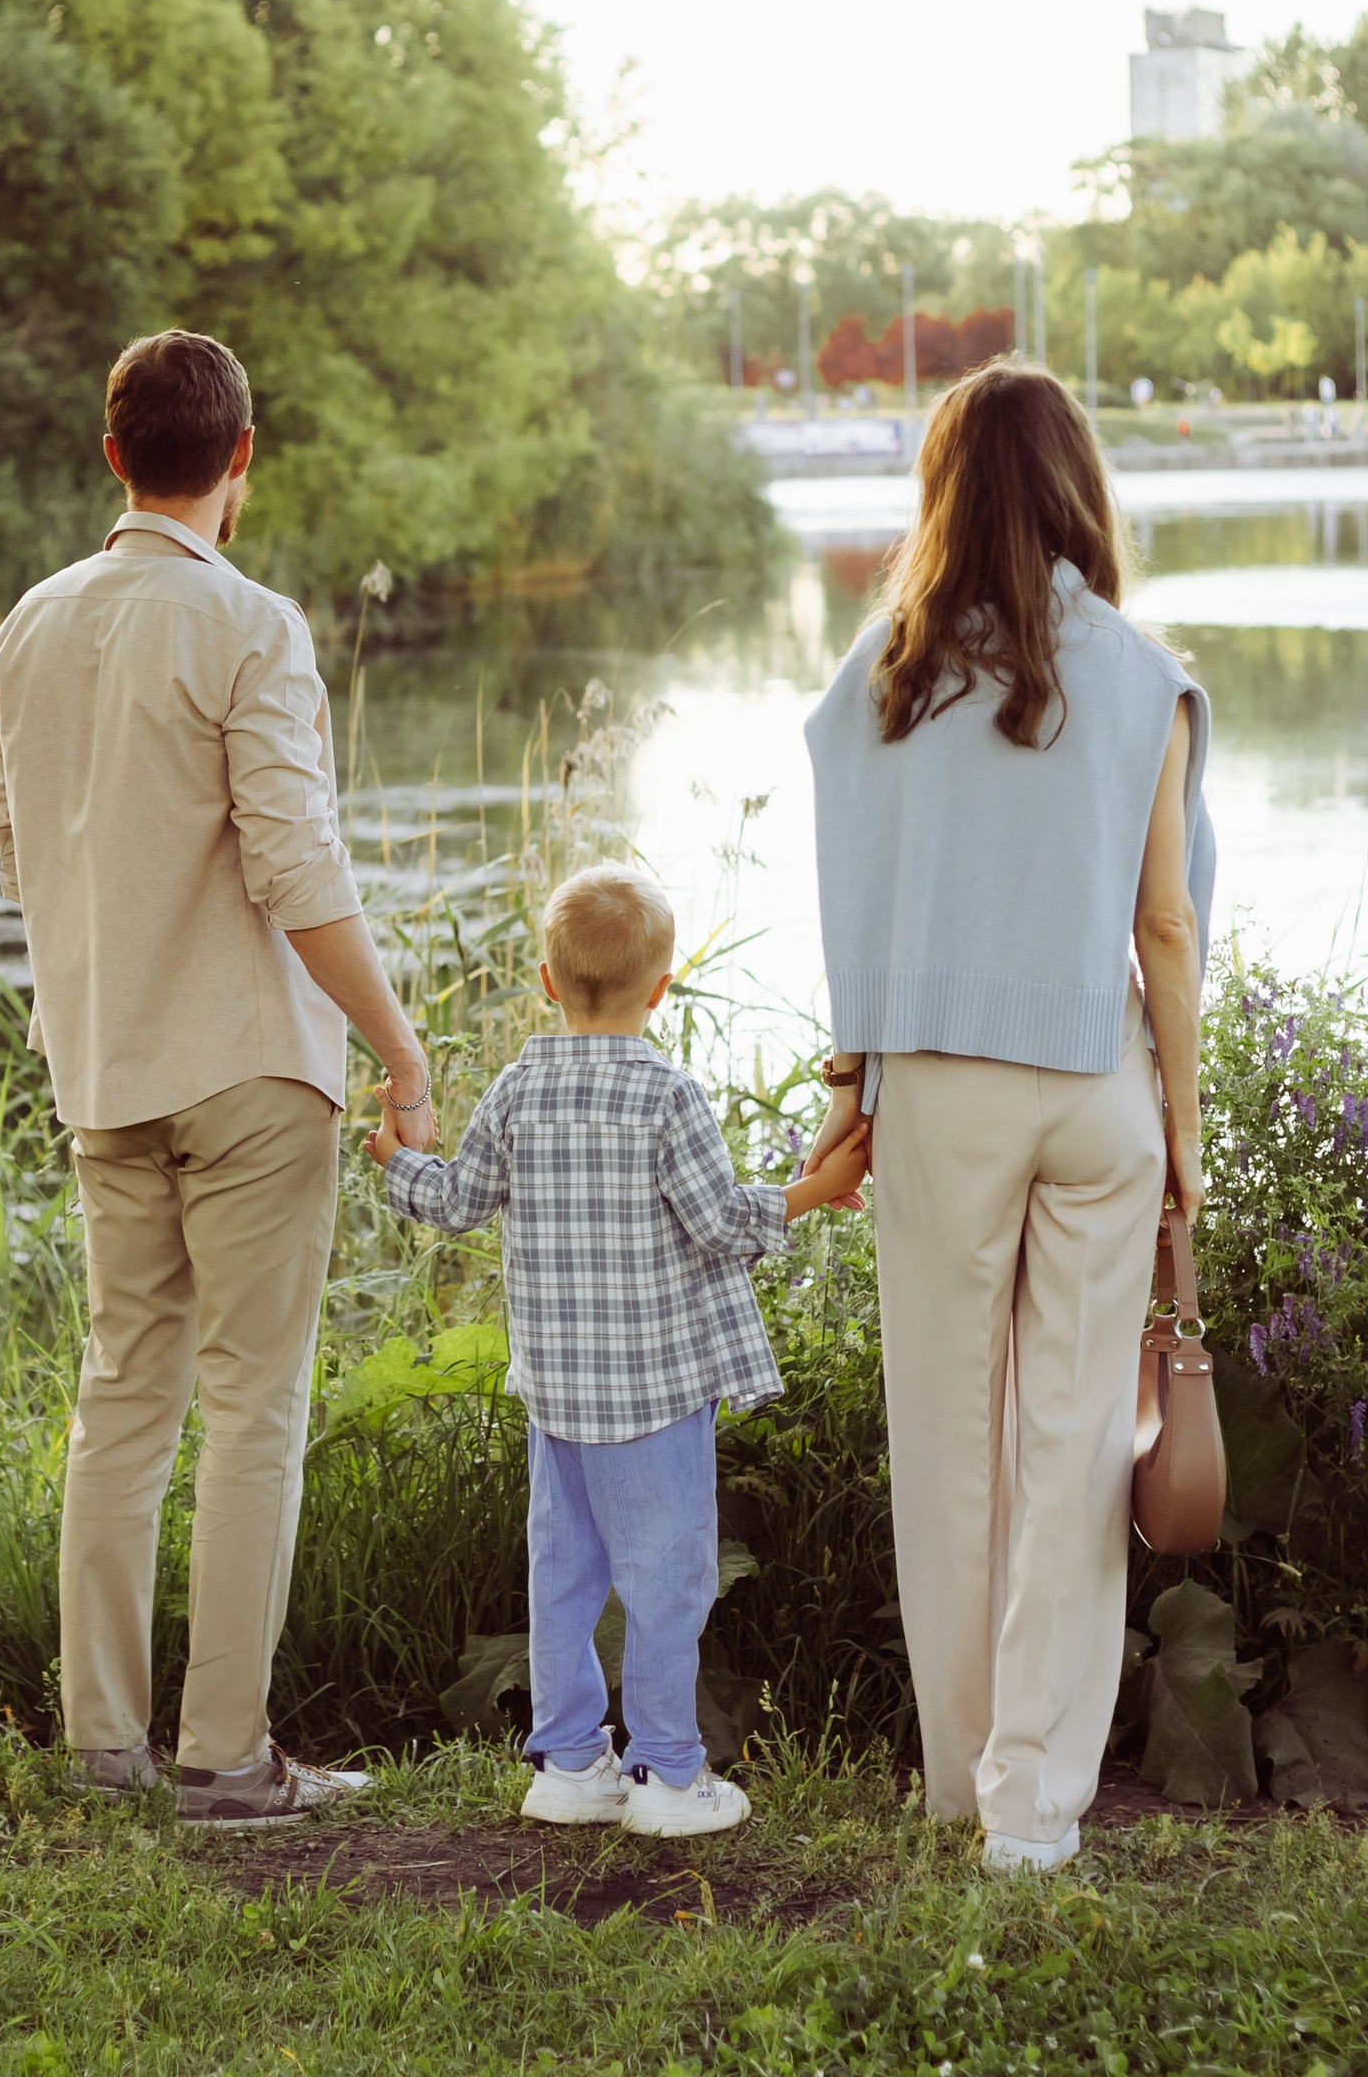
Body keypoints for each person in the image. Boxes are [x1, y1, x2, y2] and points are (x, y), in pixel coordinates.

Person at [0, 327, 437, 1830]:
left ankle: (102, 1744)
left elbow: (19, 853)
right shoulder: (253, 626)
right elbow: (294, 862)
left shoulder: (26, 631)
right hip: (247, 1067)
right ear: (239, 460)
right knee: (251, 1405)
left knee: (122, 1397)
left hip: (104, 1069)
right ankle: (226, 1759)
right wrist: (398, 1045)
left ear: (114, 457)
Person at [797, 360, 1216, 1876]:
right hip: (1097, 1086)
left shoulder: (881, 674)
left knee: (949, 1448)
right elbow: (1165, 932)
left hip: (939, 1093)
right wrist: (1183, 1127)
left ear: (944, 487)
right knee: (1074, 1444)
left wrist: (844, 1092)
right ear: (1076, 486)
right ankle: (1034, 1811)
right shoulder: (1141, 673)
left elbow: (850, 904)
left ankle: (961, 1783)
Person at [372, 864, 872, 1838]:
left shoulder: (518, 1087)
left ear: (549, 983)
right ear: (660, 987)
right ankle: (668, 1775)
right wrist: (815, 1189)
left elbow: (459, 1201)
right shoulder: (668, 1095)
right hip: (655, 1397)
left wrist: (396, 1161)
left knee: (561, 1574)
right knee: (667, 1578)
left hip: (556, 1396)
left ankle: (566, 1764)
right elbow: (720, 1223)